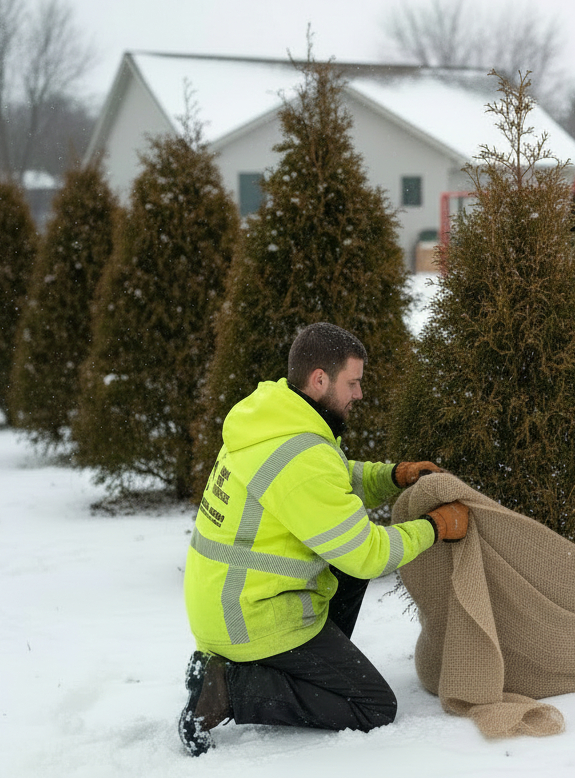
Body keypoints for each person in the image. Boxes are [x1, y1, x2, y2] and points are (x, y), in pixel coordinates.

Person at [178, 322, 468, 755]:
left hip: (225, 601)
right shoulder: (299, 456)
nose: (359, 394)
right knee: (373, 706)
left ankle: (265, 670)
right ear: (319, 380)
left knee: (347, 568)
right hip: (251, 618)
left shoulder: (274, 422)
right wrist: (436, 527)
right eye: (352, 383)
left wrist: (393, 476)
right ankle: (231, 689)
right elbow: (368, 554)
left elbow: (334, 478)